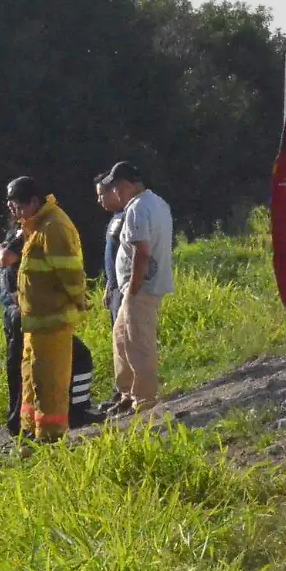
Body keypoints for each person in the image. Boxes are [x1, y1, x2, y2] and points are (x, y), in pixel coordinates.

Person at [0, 224, 100, 436]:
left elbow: (3, 256)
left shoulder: (14, 241)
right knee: (73, 359)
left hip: (20, 315)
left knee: (23, 370)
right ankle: (76, 411)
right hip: (28, 316)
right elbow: (7, 259)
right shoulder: (24, 239)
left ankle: (19, 421)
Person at [8, 176, 86, 442]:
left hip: (52, 323)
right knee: (33, 382)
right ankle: (30, 433)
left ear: (33, 202)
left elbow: (70, 273)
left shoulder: (53, 227)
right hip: (36, 325)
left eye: (17, 206)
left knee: (50, 385)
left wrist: (80, 300)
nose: (14, 212)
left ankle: (51, 439)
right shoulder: (37, 225)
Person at [97, 162, 173, 416]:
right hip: (138, 285)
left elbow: (142, 252)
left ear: (127, 186)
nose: (115, 194)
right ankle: (127, 393)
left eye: (116, 188)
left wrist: (132, 289)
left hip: (140, 286)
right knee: (121, 339)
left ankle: (144, 398)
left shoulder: (137, 210)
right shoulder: (157, 203)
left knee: (138, 341)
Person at [96, 175, 127, 321]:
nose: (99, 200)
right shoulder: (115, 217)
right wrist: (109, 286)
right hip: (115, 288)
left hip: (126, 288)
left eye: (101, 195)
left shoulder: (130, 215)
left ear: (114, 192)